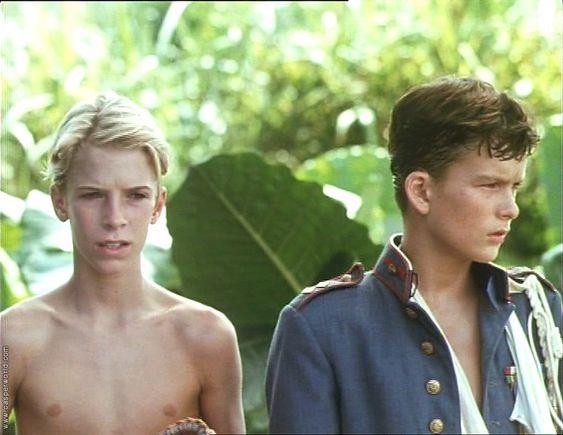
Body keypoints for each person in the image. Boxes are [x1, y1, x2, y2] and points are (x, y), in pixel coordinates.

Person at [265, 76, 562, 434]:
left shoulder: (535, 310)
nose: (511, 208)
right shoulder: (323, 326)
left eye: (514, 186)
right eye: (489, 185)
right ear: (421, 191)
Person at [0, 92, 246, 434]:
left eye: (135, 196)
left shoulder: (206, 337)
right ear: (60, 201)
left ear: (158, 205)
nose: (114, 218)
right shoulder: (12, 339)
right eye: (93, 195)